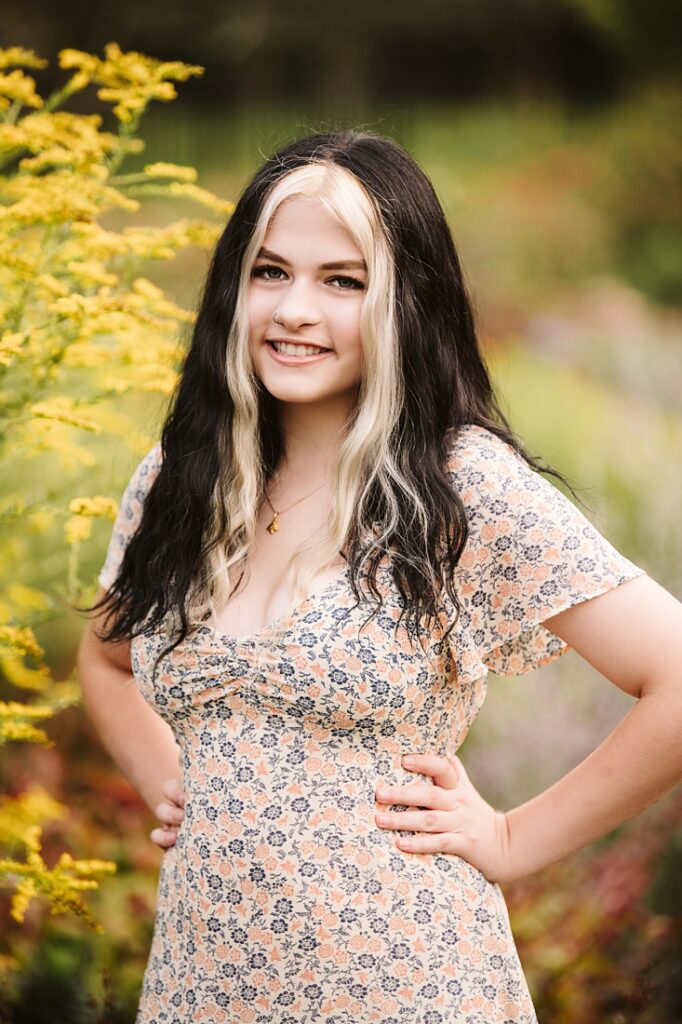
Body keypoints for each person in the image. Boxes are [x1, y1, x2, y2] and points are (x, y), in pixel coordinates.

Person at [77, 129, 682, 1024]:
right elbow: (106, 659)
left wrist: (512, 838)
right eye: (270, 272)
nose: (294, 311)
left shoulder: (460, 484)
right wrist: (178, 783)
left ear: (408, 302)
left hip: (401, 979)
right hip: (204, 983)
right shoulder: (185, 473)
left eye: (343, 282)